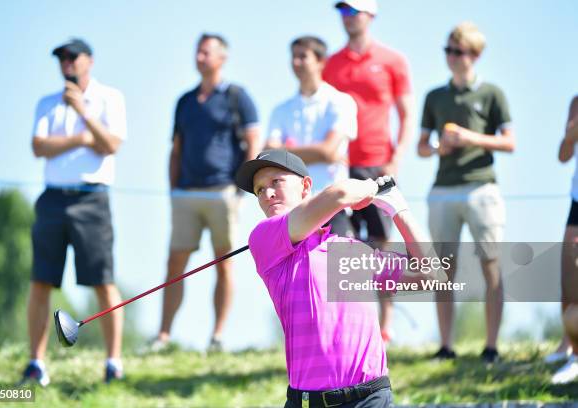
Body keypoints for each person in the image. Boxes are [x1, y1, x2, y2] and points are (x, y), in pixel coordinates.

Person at [235, 149, 447, 407]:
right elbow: (340, 194)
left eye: (275, 182)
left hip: (370, 398)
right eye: (259, 190)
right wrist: (370, 187)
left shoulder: (352, 250)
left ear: (305, 186)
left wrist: (398, 209)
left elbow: (433, 274)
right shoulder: (263, 239)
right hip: (308, 402)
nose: (266, 194)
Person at [22, 38, 126, 385]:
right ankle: (36, 363)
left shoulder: (110, 97)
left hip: (92, 199)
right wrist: (83, 139)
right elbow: (39, 147)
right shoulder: (47, 103)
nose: (65, 63)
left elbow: (110, 144)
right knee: (41, 280)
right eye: (61, 58)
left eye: (72, 57)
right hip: (52, 199)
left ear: (89, 61)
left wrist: (84, 113)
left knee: (103, 280)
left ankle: (113, 362)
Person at [154, 33, 260, 352]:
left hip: (222, 192)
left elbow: (253, 141)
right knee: (175, 263)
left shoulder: (238, 97)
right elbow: (176, 148)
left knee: (223, 263)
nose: (199, 57)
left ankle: (217, 335)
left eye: (206, 52)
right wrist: (173, 189)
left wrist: (243, 186)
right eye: (197, 51)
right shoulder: (185, 101)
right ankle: (163, 336)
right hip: (186, 193)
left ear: (222, 58)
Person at [417, 22, 515, 362]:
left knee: (491, 264)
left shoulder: (492, 94)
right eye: (448, 50)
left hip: (481, 187)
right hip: (443, 188)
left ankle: (491, 347)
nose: (451, 57)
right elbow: (421, 147)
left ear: (474, 55)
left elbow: (509, 142)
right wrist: (438, 149)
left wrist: (470, 138)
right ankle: (446, 346)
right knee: (443, 269)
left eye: (457, 51)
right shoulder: (434, 96)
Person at [323, 0, 415, 343]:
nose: (348, 17)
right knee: (344, 245)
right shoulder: (330, 64)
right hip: (343, 166)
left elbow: (406, 114)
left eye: (353, 11)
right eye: (342, 11)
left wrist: (398, 157)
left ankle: (385, 325)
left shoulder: (393, 60)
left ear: (370, 14)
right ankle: (351, 323)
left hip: (379, 163)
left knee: (381, 243)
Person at [265, 35, 357, 237]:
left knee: (341, 269)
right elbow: (269, 156)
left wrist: (286, 153)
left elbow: (328, 151)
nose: (295, 62)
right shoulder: (281, 109)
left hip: (333, 206)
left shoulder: (341, 101)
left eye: (302, 56)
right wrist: (319, 152)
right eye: (293, 56)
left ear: (321, 62)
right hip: (293, 211)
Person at [550, 95, 578, 384]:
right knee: (570, 280)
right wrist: (572, 132)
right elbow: (563, 154)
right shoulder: (576, 102)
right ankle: (571, 350)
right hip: (577, 199)